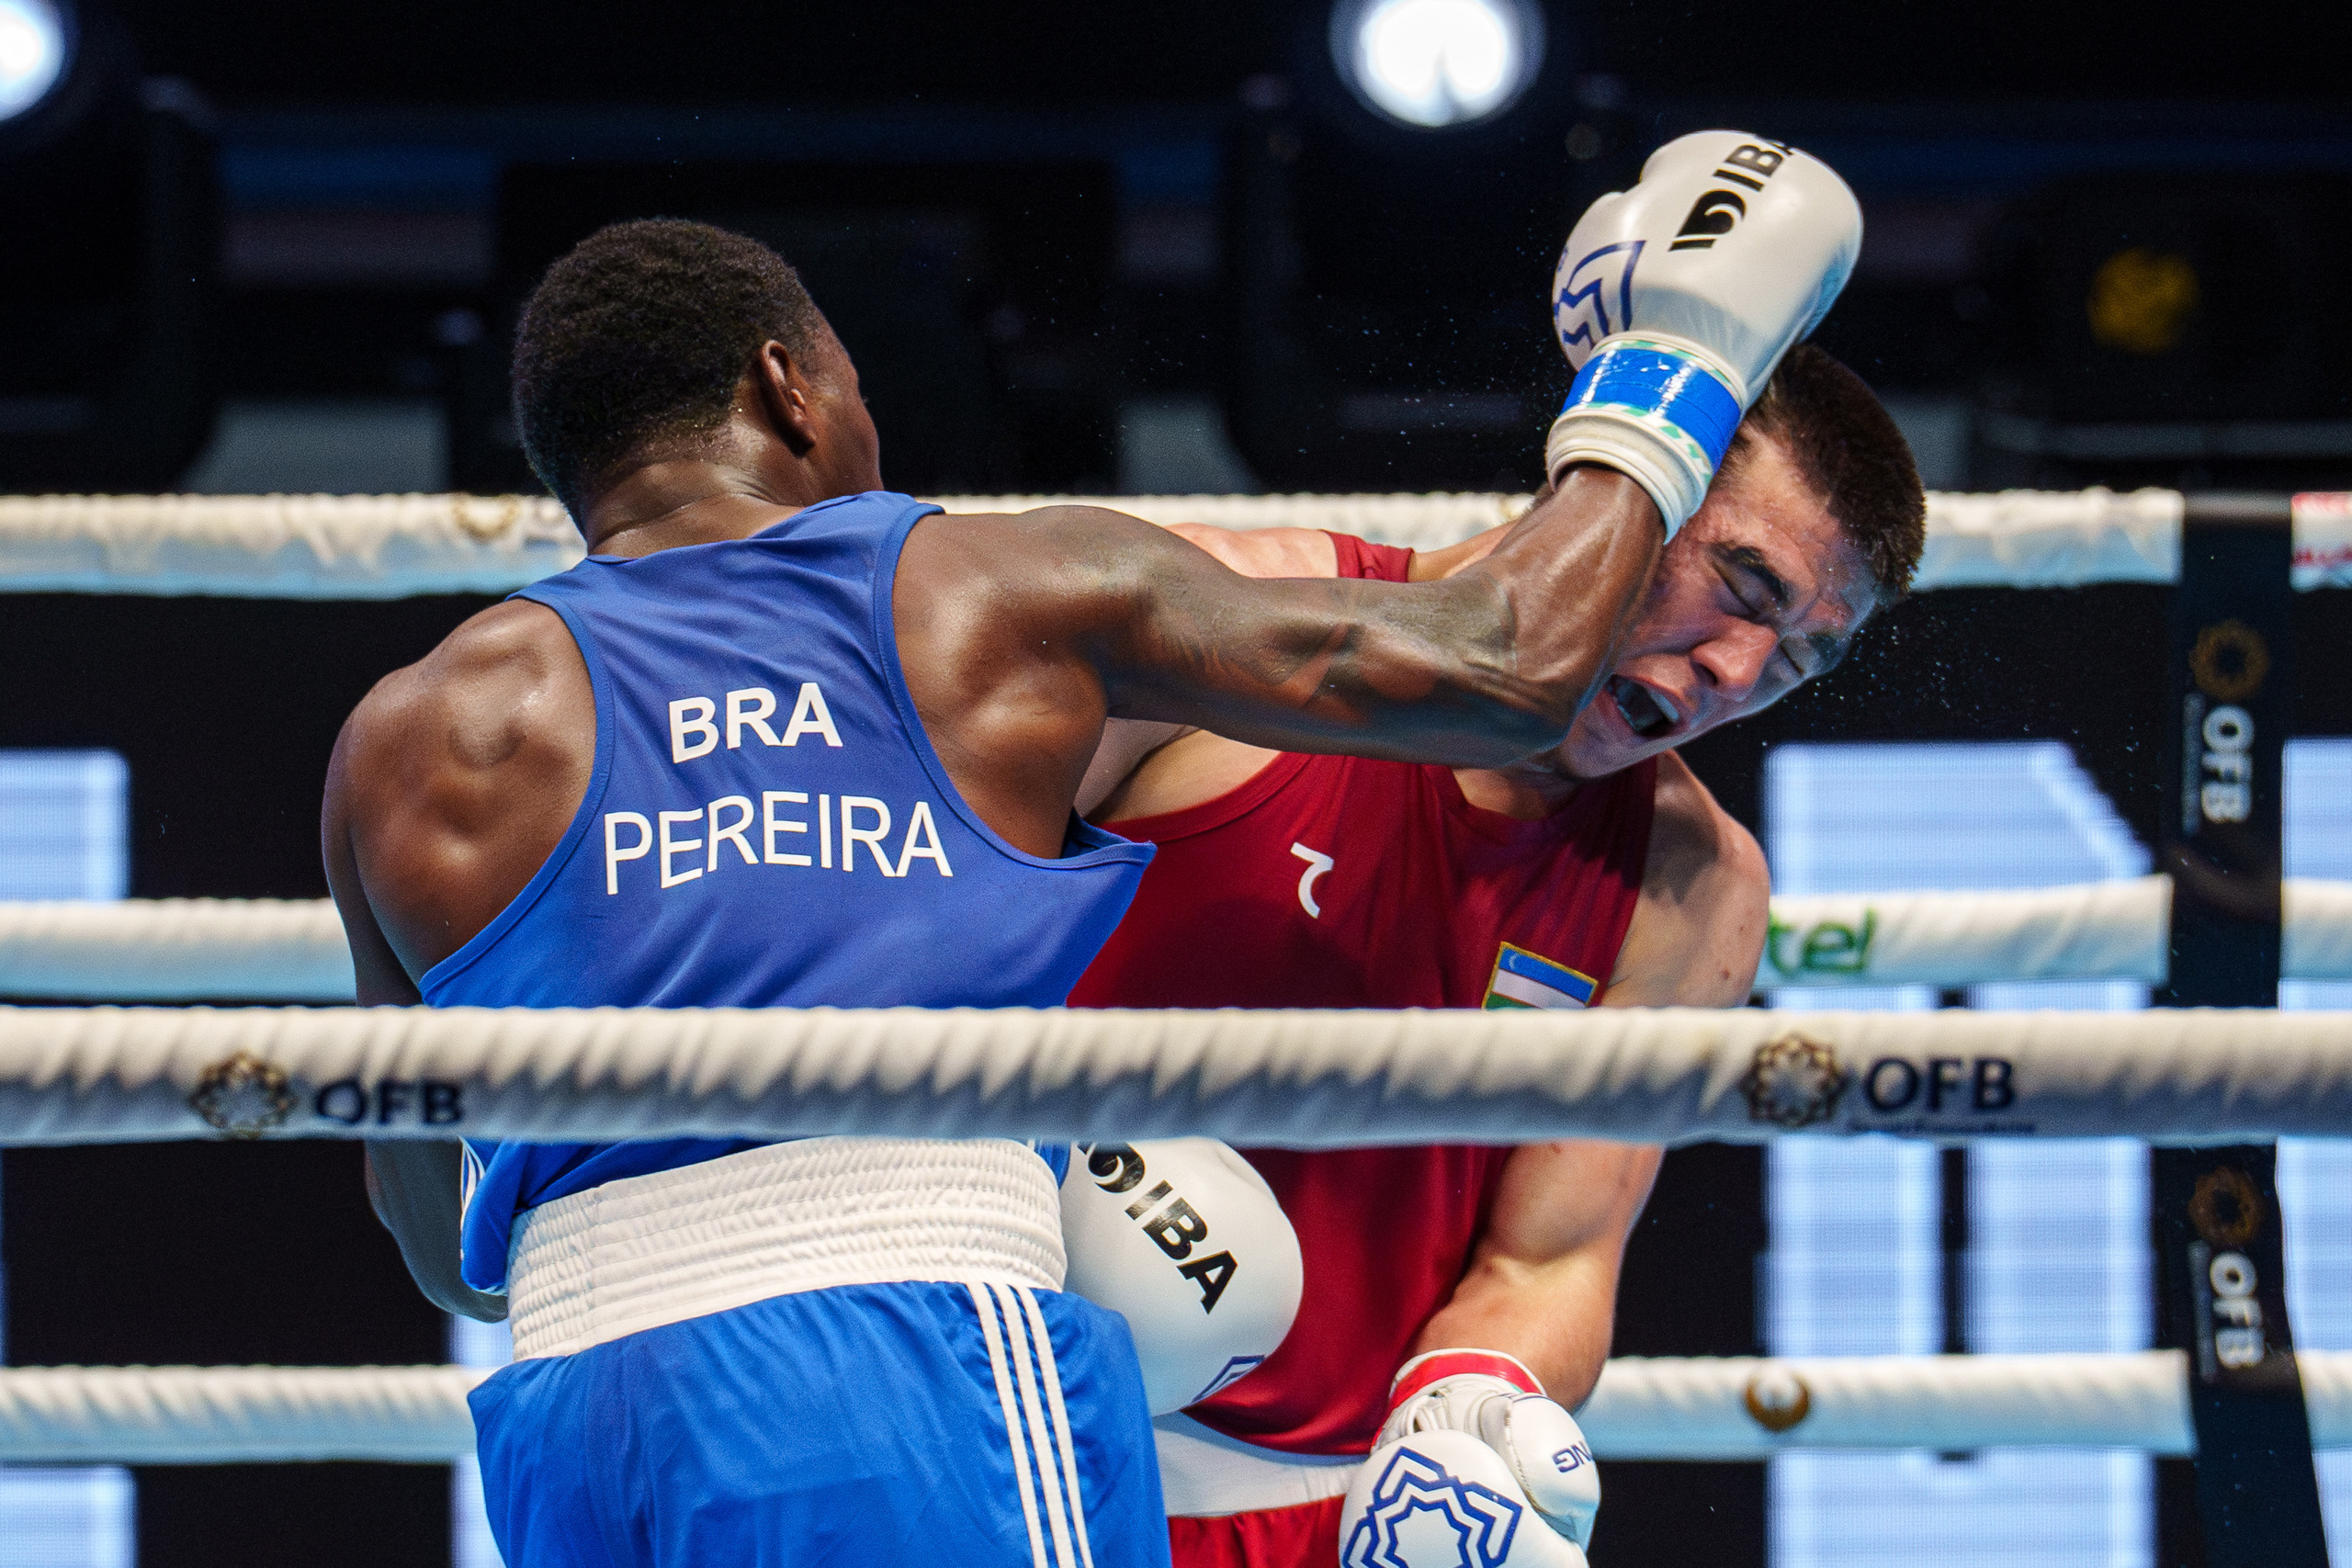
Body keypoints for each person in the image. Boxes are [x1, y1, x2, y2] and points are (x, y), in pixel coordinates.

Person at [329, 142, 1855, 1568]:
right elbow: (1511, 660)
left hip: (575, 1420)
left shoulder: (401, 746)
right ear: (790, 388)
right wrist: (1682, 364)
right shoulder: (971, 594)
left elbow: (441, 1246)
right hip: (915, 1359)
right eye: (859, 395)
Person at [1068, 344, 1928, 1568]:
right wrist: (1035, 1187)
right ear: (1618, 496)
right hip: (984, 1429)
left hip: (1317, 1517)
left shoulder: (1693, 887)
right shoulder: (1238, 611)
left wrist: (1469, 1406)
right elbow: (897, 939)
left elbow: (1551, 1255)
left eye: (1794, 657)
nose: (1738, 671)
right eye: (1741, 587)